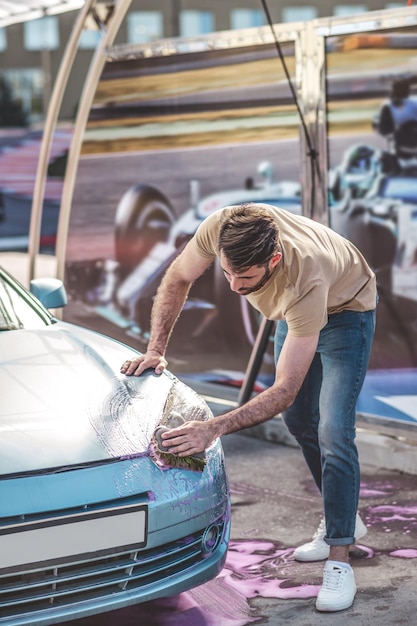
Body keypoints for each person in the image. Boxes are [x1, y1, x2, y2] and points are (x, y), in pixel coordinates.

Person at [121, 202, 377, 612]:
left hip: (346, 310)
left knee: (333, 429)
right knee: (299, 421)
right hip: (294, 313)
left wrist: (212, 428)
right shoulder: (221, 227)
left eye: (247, 277)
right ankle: (343, 514)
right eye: (227, 273)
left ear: (272, 260)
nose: (236, 286)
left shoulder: (304, 277)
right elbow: (177, 277)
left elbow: (284, 390)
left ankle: (340, 556)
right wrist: (156, 351)